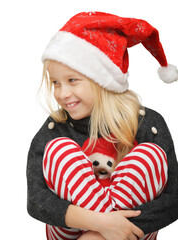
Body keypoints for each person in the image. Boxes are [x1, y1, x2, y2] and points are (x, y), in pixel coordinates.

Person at [27, 12, 178, 240]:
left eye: (72, 80)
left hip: (131, 232)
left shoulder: (149, 123)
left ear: (101, 80)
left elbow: (172, 200)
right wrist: (101, 224)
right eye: (55, 83)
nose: (61, 93)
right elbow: (37, 200)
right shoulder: (54, 128)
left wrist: (106, 233)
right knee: (60, 151)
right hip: (71, 231)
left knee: (151, 155)